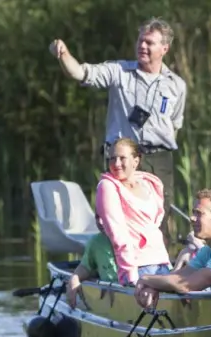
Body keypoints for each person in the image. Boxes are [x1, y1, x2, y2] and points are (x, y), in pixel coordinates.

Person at [48, 17, 187, 241]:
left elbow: (175, 125)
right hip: (123, 157)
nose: (142, 46)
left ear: (164, 48)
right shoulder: (119, 71)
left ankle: (157, 270)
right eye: (140, 41)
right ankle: (117, 269)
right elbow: (80, 73)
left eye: (149, 43)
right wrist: (63, 54)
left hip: (160, 158)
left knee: (159, 218)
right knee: (117, 216)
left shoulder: (176, 85)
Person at [96, 138, 171, 286]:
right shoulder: (107, 187)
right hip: (139, 268)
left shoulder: (149, 184)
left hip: (162, 262)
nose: (116, 163)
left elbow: (155, 223)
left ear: (136, 161)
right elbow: (118, 235)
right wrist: (130, 276)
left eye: (122, 158)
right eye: (112, 158)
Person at [66, 214, 117, 308]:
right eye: (97, 217)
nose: (100, 222)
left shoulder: (138, 239)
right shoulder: (96, 242)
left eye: (105, 214)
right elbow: (86, 267)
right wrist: (74, 279)